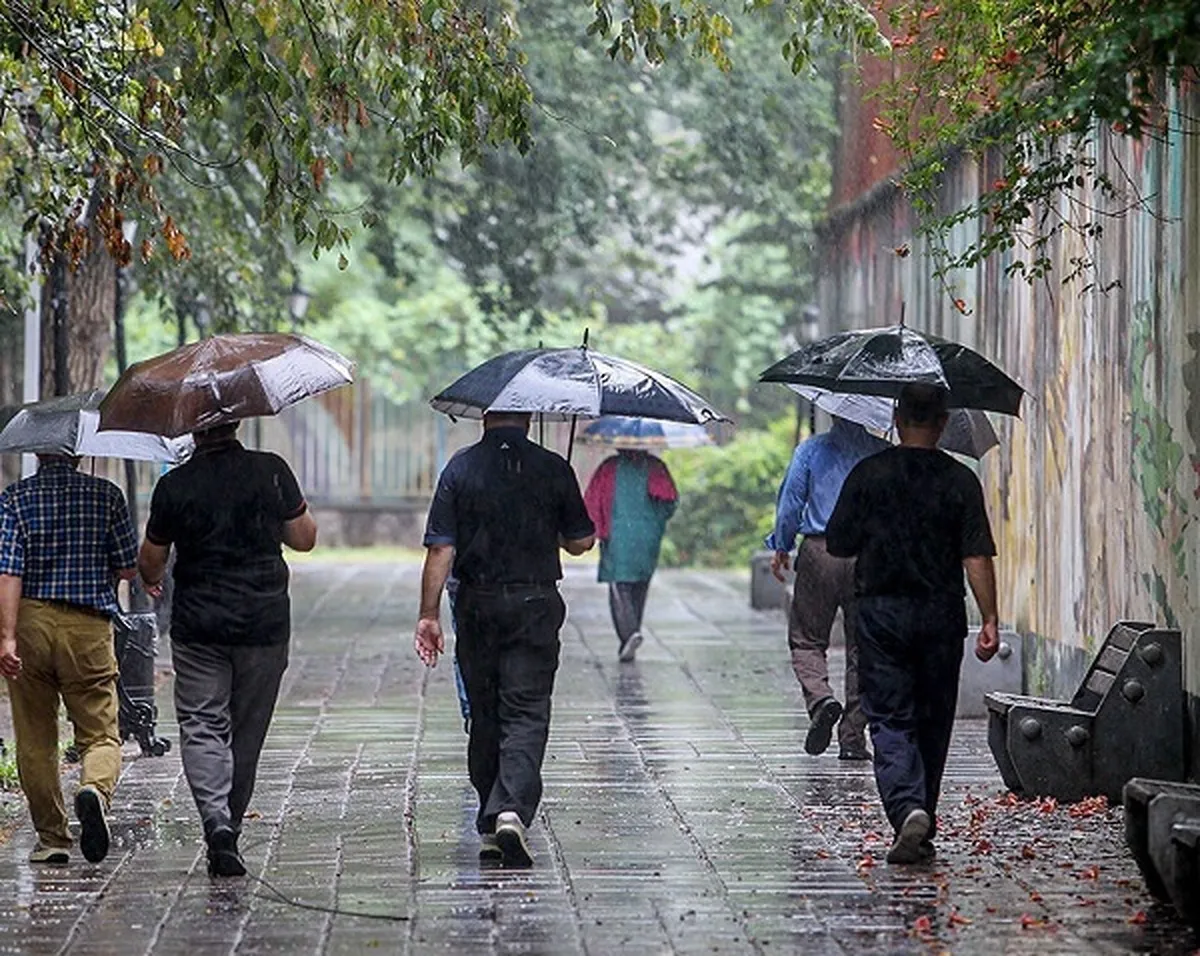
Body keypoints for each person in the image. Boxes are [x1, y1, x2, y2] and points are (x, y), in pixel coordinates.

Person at [826, 384, 1000, 865]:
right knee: (933, 718)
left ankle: (907, 809)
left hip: (881, 613)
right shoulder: (961, 480)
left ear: (897, 418)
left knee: (889, 717)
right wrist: (989, 617)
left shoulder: (869, 474)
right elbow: (976, 556)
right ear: (943, 424)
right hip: (942, 615)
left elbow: (838, 544)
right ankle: (921, 816)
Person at [414, 411, 595, 868]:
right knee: (527, 709)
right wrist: (554, 525)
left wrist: (428, 614)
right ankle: (510, 808)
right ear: (529, 418)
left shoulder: (461, 467)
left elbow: (441, 547)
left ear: (486, 417)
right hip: (534, 604)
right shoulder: (554, 467)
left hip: (477, 605)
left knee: (486, 708)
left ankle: (491, 816)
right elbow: (582, 542)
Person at [137, 422, 317, 877]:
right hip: (263, 623)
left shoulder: (174, 485)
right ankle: (230, 824)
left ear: (192, 433)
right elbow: (304, 538)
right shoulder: (271, 471)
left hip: (199, 624)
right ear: (237, 422)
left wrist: (154, 580)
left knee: (201, 722)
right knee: (246, 732)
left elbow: (150, 561)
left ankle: (215, 820)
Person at [0, 453, 138, 865]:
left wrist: (6, 637)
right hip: (88, 628)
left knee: (36, 739)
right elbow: (129, 568)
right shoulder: (106, 495)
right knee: (100, 733)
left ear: (37, 453)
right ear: (78, 453)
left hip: (30, 624)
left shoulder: (14, 498)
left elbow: (8, 571)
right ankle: (93, 789)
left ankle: (53, 840)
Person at [767, 416, 889, 760]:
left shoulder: (811, 450)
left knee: (807, 638)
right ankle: (852, 737)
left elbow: (791, 502)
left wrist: (781, 545)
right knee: (864, 646)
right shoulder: (882, 453)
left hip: (820, 551)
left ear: (834, 411)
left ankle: (821, 699)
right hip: (868, 554)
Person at [583, 448, 678, 662]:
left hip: (617, 535)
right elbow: (670, 502)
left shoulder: (609, 468)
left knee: (619, 585)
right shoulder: (655, 467)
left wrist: (591, 528)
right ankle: (631, 632)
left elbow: (592, 500)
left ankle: (629, 634)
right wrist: (654, 521)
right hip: (647, 536)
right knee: (639, 585)